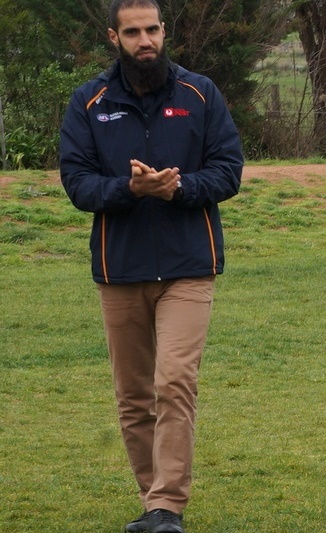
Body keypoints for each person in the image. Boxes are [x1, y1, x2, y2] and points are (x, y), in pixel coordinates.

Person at [59, 0, 243, 531]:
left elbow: (228, 171)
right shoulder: (88, 102)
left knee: (174, 382)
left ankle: (167, 506)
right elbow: (77, 182)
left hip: (190, 265)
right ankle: (153, 504)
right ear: (114, 37)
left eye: (153, 29)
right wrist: (130, 188)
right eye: (133, 31)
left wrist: (179, 186)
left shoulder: (200, 93)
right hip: (121, 269)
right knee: (134, 397)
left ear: (165, 32)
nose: (146, 40)